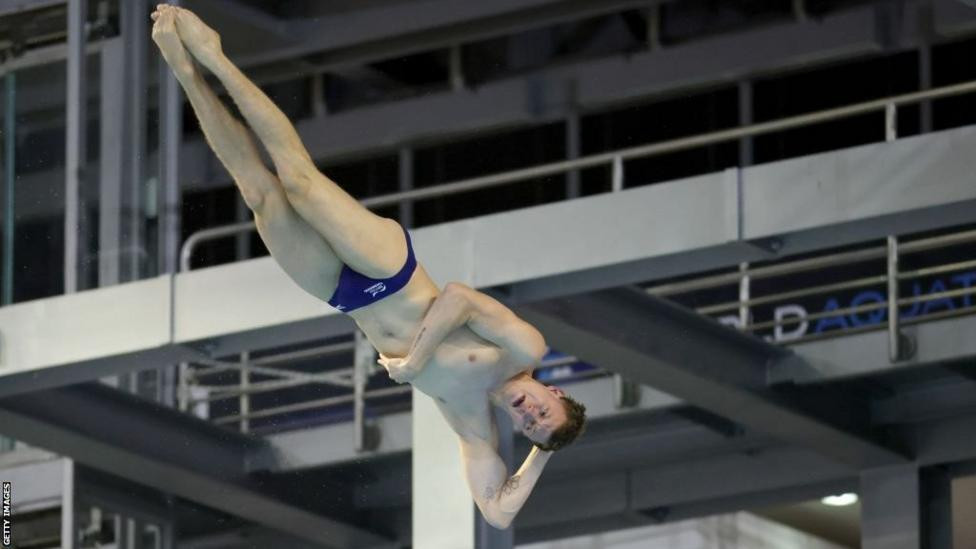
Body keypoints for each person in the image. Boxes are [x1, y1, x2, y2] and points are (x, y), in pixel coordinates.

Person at [150, 4, 586, 529]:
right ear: (553, 389)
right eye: (543, 409)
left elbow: (497, 513)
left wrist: (549, 447)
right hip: (391, 271)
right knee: (299, 183)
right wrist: (416, 360)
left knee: (261, 194)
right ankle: (215, 57)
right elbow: (459, 298)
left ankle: (184, 69)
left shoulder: (472, 420)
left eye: (531, 425)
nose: (529, 413)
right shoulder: (523, 349)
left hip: (346, 296)